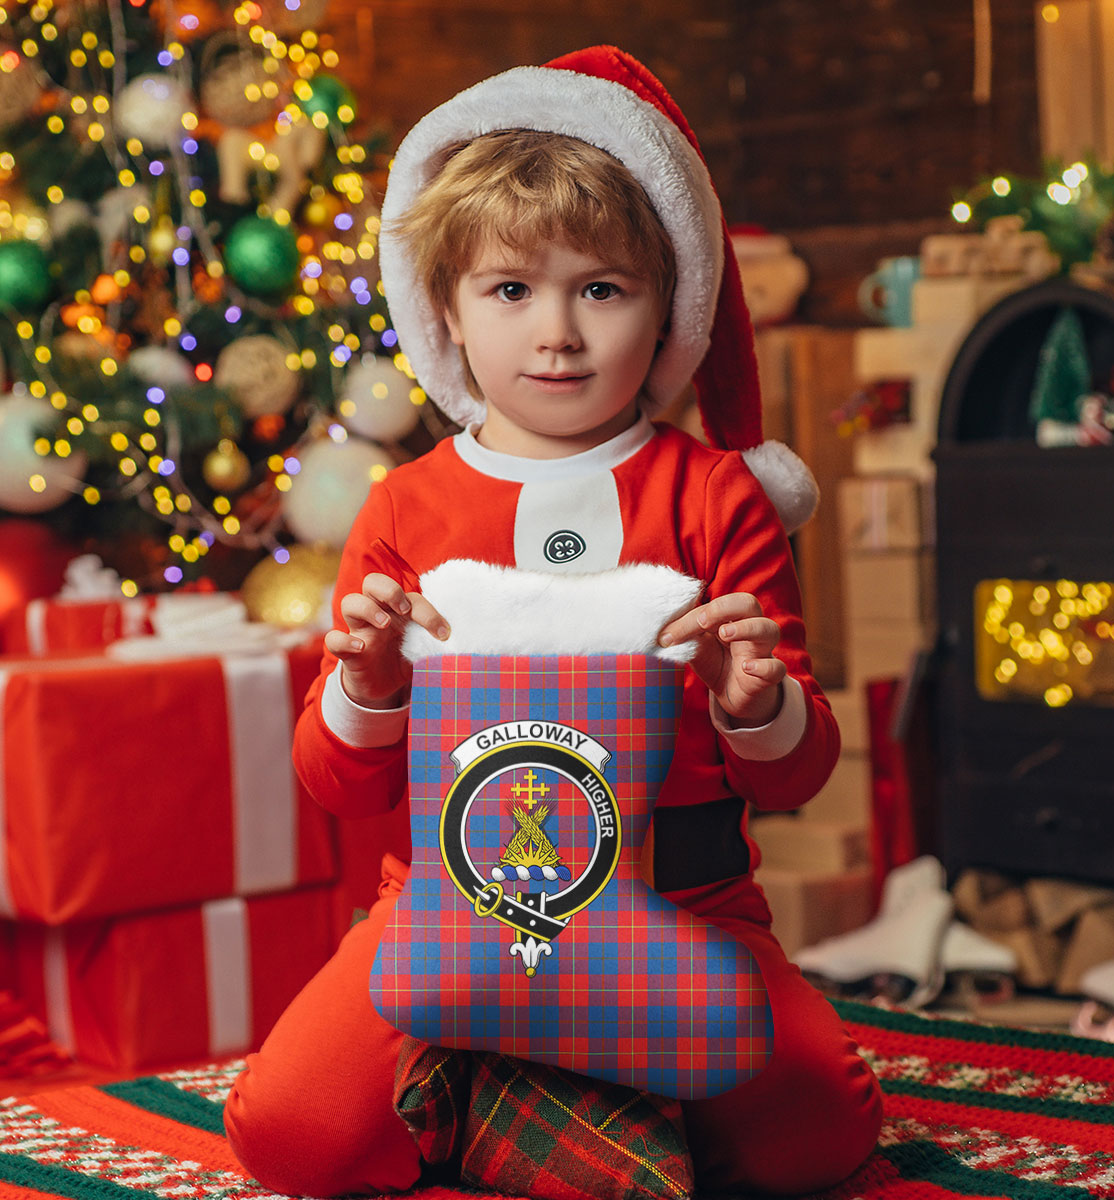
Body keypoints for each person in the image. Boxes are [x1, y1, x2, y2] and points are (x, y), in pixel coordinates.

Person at [224, 45, 882, 1197]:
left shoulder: (716, 496)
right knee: (292, 1135)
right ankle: (542, 1087)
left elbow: (796, 779)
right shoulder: (407, 503)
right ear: (446, 310)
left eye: (602, 288)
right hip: (448, 905)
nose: (558, 334)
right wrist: (369, 686)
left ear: (665, 303)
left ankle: (529, 1086)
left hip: (687, 906)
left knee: (817, 1136)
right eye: (512, 289)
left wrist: (759, 705)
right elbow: (339, 785)